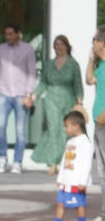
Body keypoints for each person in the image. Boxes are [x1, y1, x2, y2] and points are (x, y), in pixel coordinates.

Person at [0, 22, 37, 174]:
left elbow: (31, 72)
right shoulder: (1, 49)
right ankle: (2, 157)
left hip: (21, 95)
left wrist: (29, 94)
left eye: (10, 34)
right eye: (6, 34)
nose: (8, 37)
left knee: (20, 130)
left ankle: (17, 162)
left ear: (18, 33)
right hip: (4, 93)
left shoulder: (28, 49)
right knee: (0, 125)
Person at [30, 34, 83, 175]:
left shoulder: (73, 64)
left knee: (66, 131)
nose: (59, 47)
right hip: (52, 99)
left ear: (67, 46)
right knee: (54, 130)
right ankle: (53, 163)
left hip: (68, 99)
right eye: (56, 44)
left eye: (61, 44)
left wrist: (79, 102)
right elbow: (43, 83)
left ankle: (65, 161)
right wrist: (34, 96)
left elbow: (78, 84)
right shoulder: (48, 64)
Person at [40, 109, 91, 221]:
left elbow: (87, 163)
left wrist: (83, 181)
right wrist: (60, 178)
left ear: (76, 126)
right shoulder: (70, 142)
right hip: (66, 181)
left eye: (67, 126)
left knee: (79, 205)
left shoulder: (85, 143)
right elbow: (64, 161)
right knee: (60, 203)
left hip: (77, 182)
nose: (65, 129)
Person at [89, 29, 105, 221]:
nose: (92, 43)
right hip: (98, 123)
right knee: (101, 170)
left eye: (94, 40)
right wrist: (90, 60)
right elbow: (89, 78)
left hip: (103, 122)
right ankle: (103, 212)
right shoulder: (101, 66)